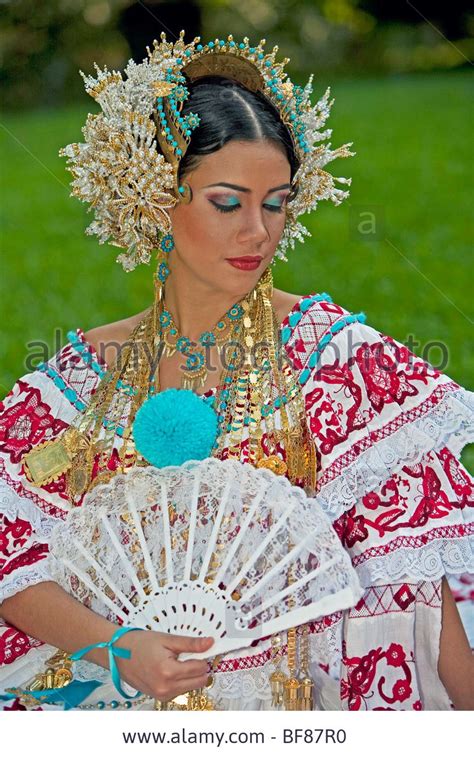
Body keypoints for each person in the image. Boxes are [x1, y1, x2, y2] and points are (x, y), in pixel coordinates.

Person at [0, 31, 473, 712]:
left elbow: (420, 602)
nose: (259, 230)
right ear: (156, 200)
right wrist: (114, 646)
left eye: (275, 202)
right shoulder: (82, 380)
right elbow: (14, 552)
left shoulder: (335, 362)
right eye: (229, 202)